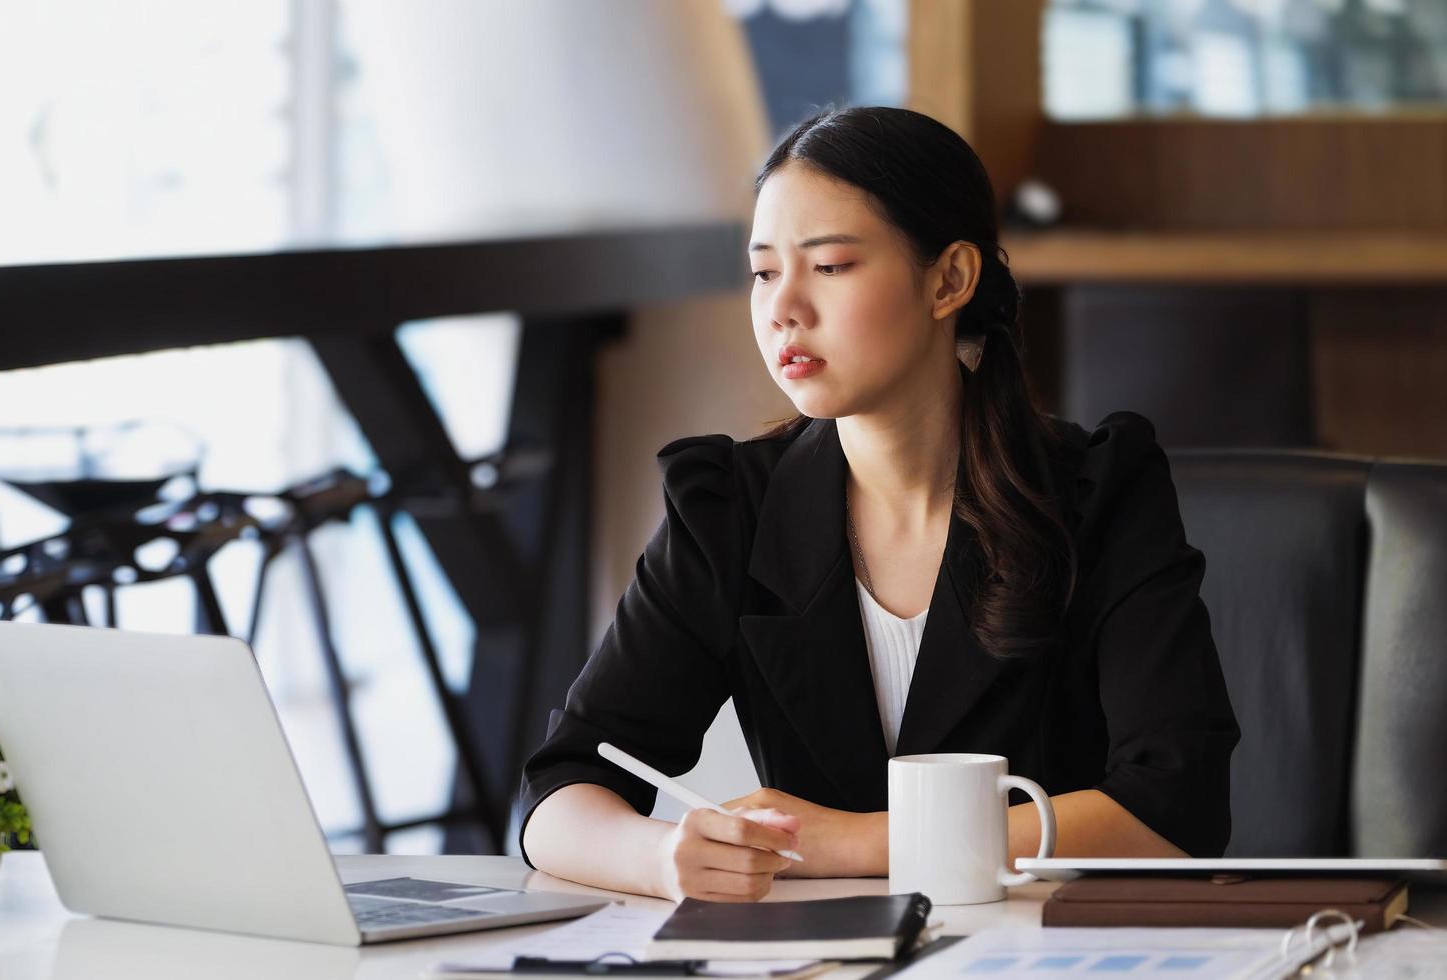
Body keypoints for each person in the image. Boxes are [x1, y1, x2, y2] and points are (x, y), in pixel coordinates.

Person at [518, 106, 1239, 903]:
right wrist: (662, 858)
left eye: (829, 266)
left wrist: (856, 841)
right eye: (763, 271)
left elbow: (1175, 811)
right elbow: (560, 792)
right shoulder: (729, 507)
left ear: (949, 280)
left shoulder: (1099, 491)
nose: (782, 308)